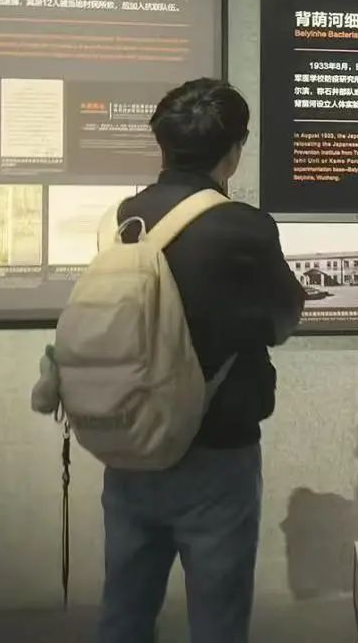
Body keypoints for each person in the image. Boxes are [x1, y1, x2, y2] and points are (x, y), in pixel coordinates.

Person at [97, 79, 305, 643]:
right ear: (233, 152)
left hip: (131, 443)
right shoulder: (243, 226)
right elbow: (283, 319)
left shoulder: (123, 220)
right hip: (217, 448)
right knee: (218, 621)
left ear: (163, 144)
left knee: (123, 612)